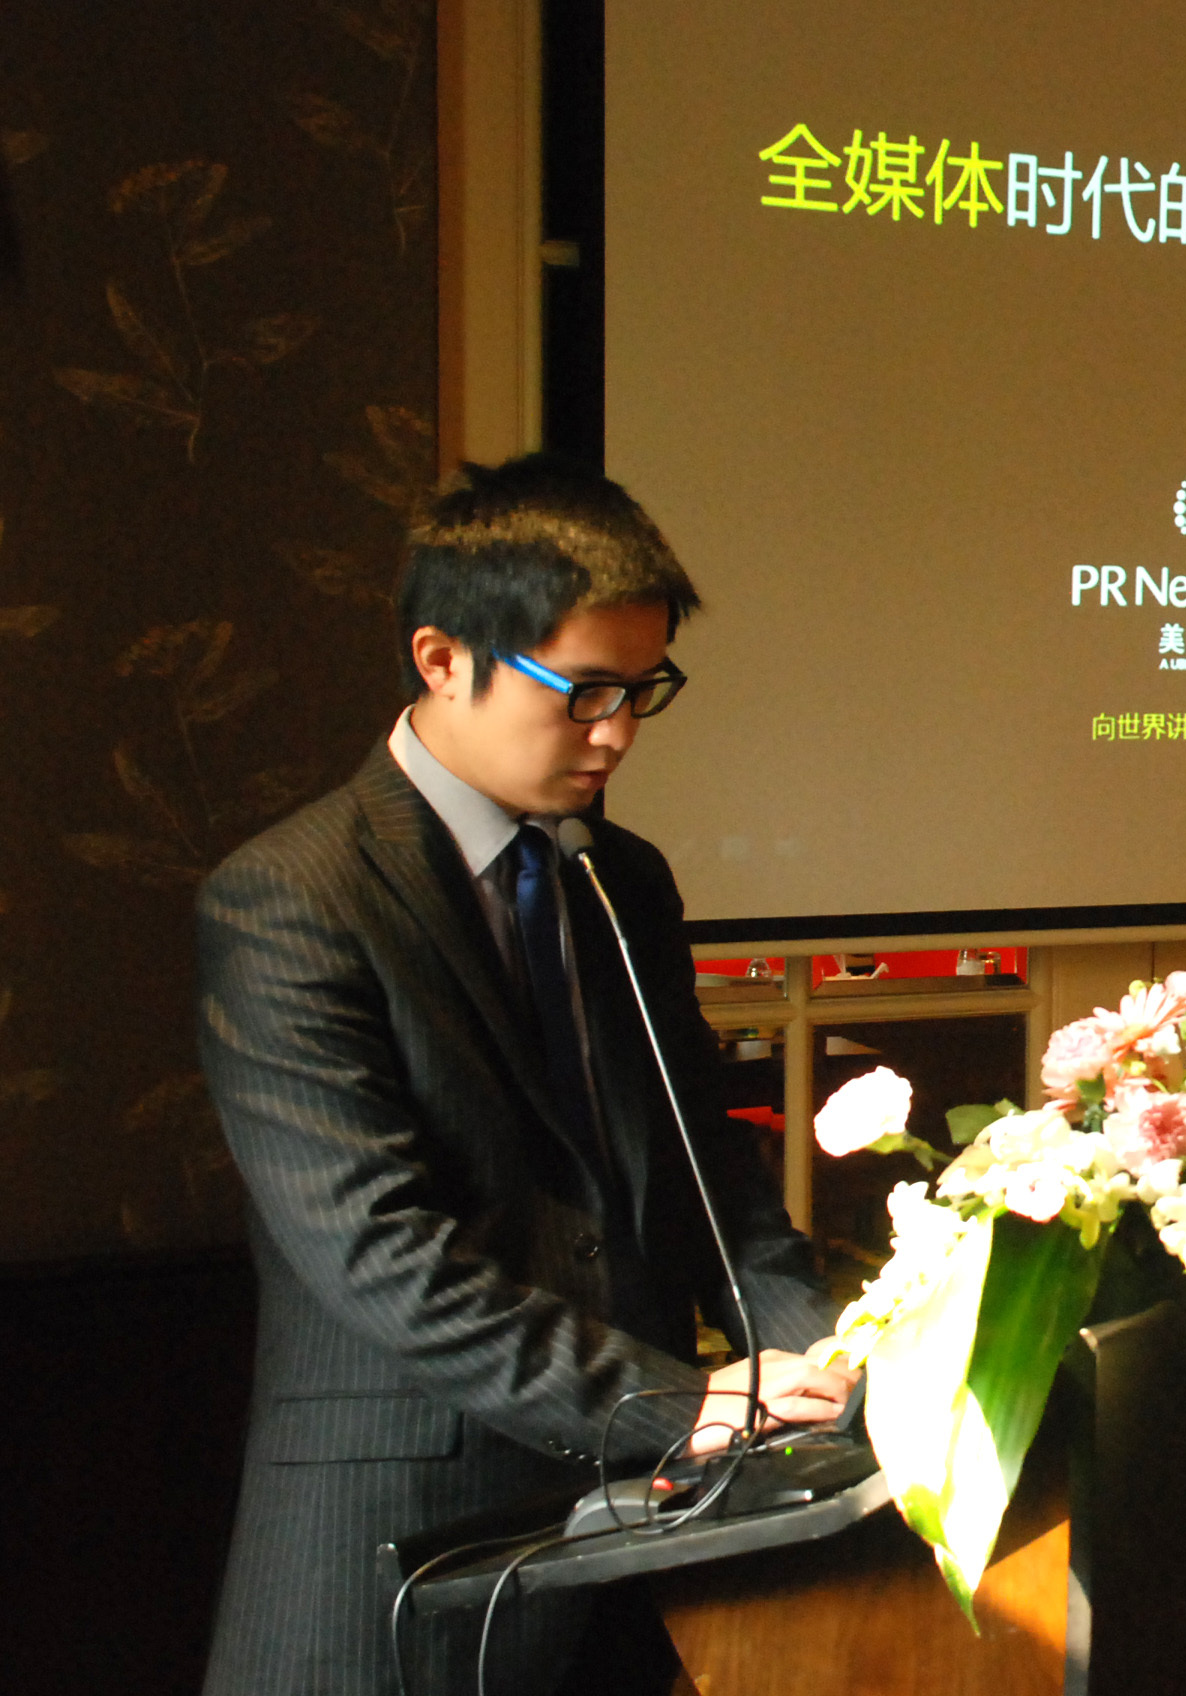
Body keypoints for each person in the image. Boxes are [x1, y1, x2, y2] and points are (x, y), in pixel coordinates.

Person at [197, 455, 855, 1696]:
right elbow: (379, 1254)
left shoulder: (623, 877)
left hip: (638, 1540)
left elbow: (709, 1173)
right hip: (398, 1548)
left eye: (643, 690)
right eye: (585, 690)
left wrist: (830, 1363)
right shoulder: (290, 898)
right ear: (443, 659)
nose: (617, 731)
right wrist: (682, 1403)